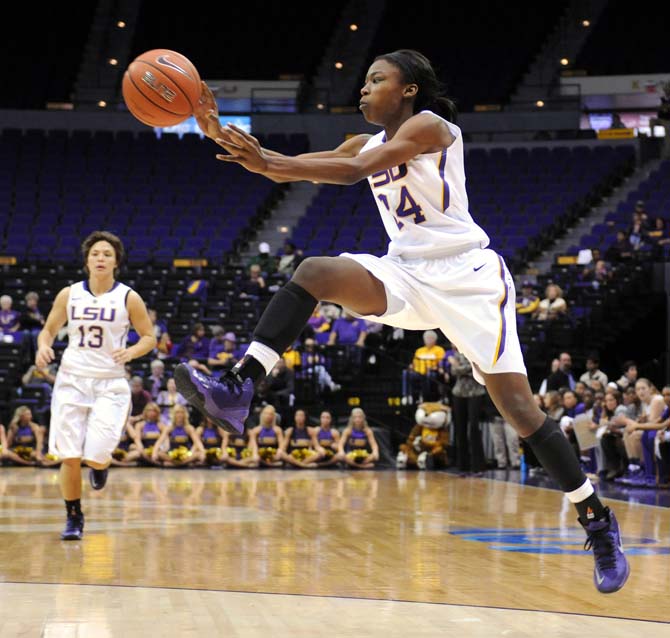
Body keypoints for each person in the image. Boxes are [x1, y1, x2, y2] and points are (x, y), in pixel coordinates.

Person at [175, 49, 629, 593]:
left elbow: (350, 171)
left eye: (375, 80)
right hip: (406, 272)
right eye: (364, 82)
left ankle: (597, 520)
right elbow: (290, 164)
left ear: (409, 88)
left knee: (520, 411)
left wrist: (270, 161)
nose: (362, 90)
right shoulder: (366, 142)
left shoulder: (432, 127)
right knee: (316, 271)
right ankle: (238, 385)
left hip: (469, 279)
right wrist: (213, 130)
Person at [35, 230, 157, 540]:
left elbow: (149, 337)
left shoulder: (128, 296)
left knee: (96, 455)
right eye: (95, 254)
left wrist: (131, 351)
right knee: (70, 456)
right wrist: (42, 347)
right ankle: (74, 516)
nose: (100, 258)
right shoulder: (69, 294)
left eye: (106, 254)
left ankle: (101, 465)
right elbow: (47, 331)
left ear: (116, 262)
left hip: (110, 382)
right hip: (72, 379)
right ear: (87, 260)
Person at [401, 329, 445, 404]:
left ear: (435, 340)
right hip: (418, 372)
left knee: (429, 376)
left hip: (431, 372)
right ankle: (407, 395)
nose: (428, 340)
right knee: (406, 373)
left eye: (430, 338)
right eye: (426, 338)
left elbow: (441, 363)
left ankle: (425, 397)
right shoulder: (419, 350)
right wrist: (411, 366)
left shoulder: (439, 350)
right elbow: (414, 363)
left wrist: (436, 368)